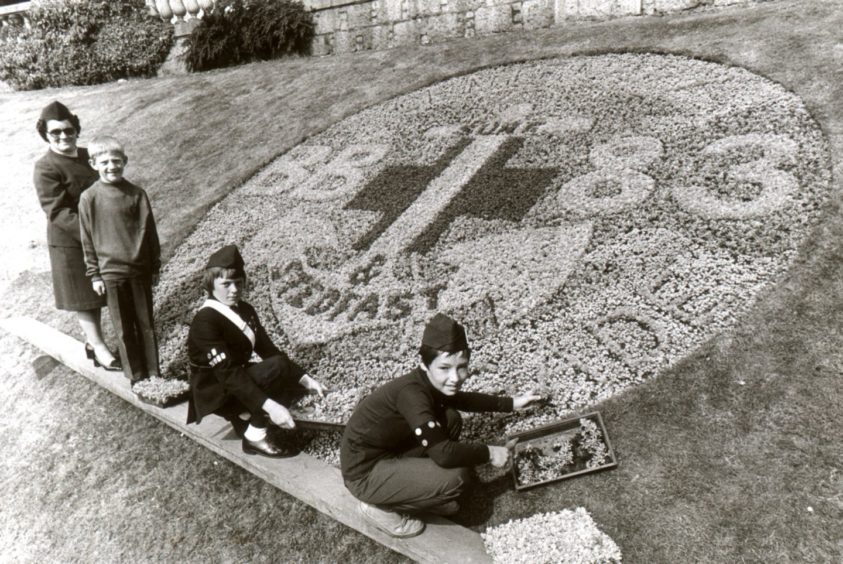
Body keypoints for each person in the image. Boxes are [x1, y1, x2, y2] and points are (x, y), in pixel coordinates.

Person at [340, 313, 543, 538]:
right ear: (424, 365)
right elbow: (444, 455)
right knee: (456, 477)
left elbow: (463, 399)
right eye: (445, 368)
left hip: (388, 450)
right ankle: (380, 508)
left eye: (461, 367)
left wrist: (513, 403)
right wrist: (490, 452)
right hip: (364, 474)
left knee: (451, 418)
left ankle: (420, 489)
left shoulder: (427, 382)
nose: (455, 377)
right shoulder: (412, 395)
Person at [186, 244, 326, 458]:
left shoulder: (244, 309)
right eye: (226, 284)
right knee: (277, 370)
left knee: (289, 378)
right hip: (215, 390)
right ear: (211, 285)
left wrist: (306, 379)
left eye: (238, 283)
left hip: (234, 378)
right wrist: (272, 407)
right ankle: (255, 435)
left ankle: (245, 417)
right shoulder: (205, 321)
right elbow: (228, 374)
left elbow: (268, 350)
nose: (234, 290)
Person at [33, 101, 120, 371]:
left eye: (68, 131)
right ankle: (98, 347)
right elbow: (57, 211)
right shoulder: (46, 167)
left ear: (76, 129)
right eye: (55, 133)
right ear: (46, 135)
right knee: (85, 297)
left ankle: (102, 343)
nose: (63, 137)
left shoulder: (89, 156)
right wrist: (94, 233)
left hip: (104, 233)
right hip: (71, 242)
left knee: (104, 290)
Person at [78, 135, 161, 385]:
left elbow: (150, 233)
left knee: (146, 324)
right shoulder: (88, 198)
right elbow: (87, 239)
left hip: (139, 271)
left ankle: (155, 374)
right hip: (111, 274)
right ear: (94, 164)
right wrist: (95, 274)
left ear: (125, 161)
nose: (111, 166)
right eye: (105, 162)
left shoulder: (136, 194)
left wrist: (154, 266)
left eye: (117, 161)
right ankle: (136, 376)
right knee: (124, 328)